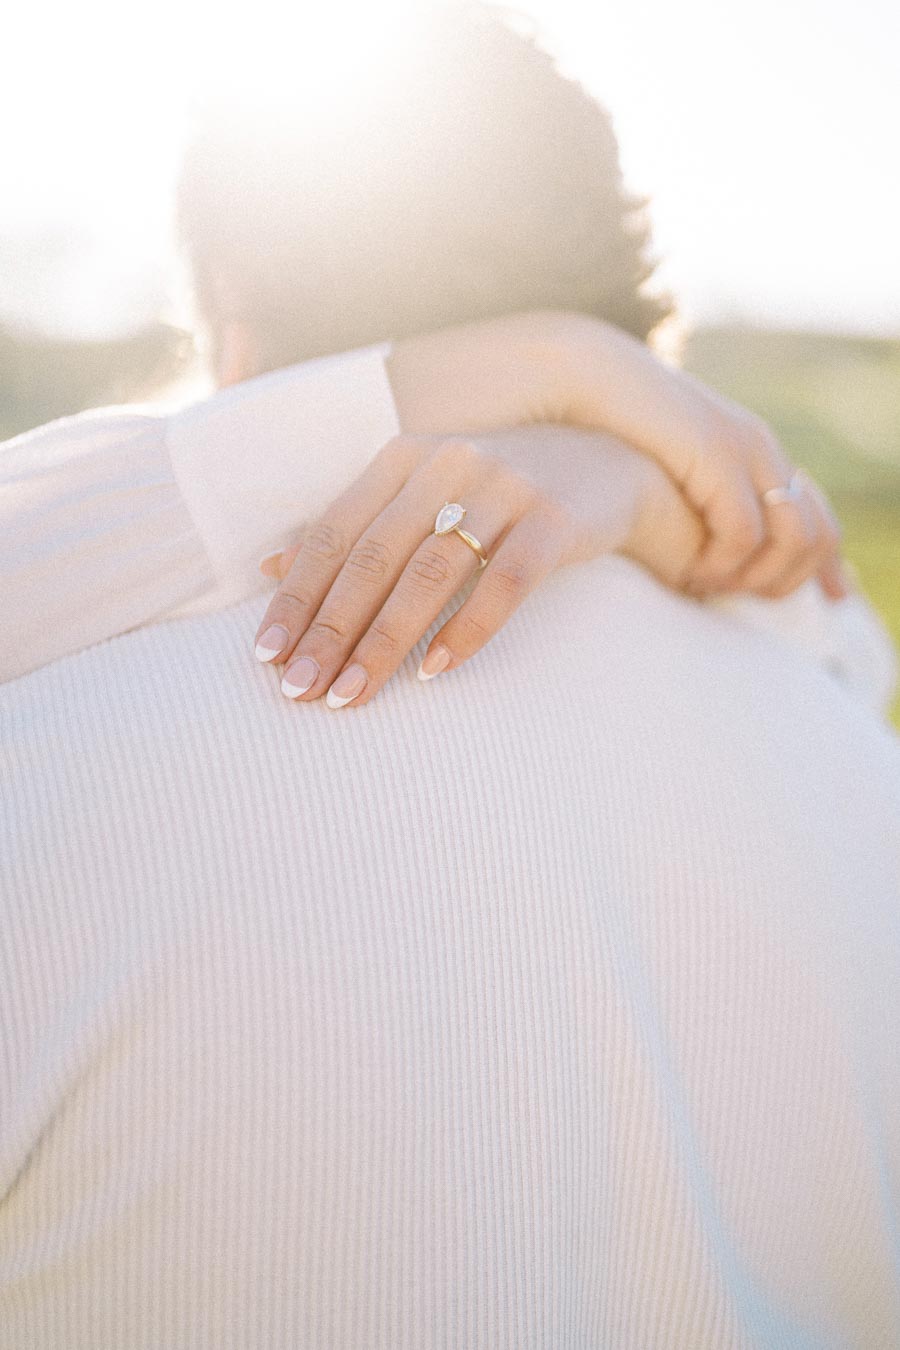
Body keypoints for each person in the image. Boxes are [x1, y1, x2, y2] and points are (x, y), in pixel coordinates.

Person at [2, 8, 899, 1348]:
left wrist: (517, 401)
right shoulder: (852, 766)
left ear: (230, 330)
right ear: (652, 337)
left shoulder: (45, 771)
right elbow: (840, 649)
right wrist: (601, 423)